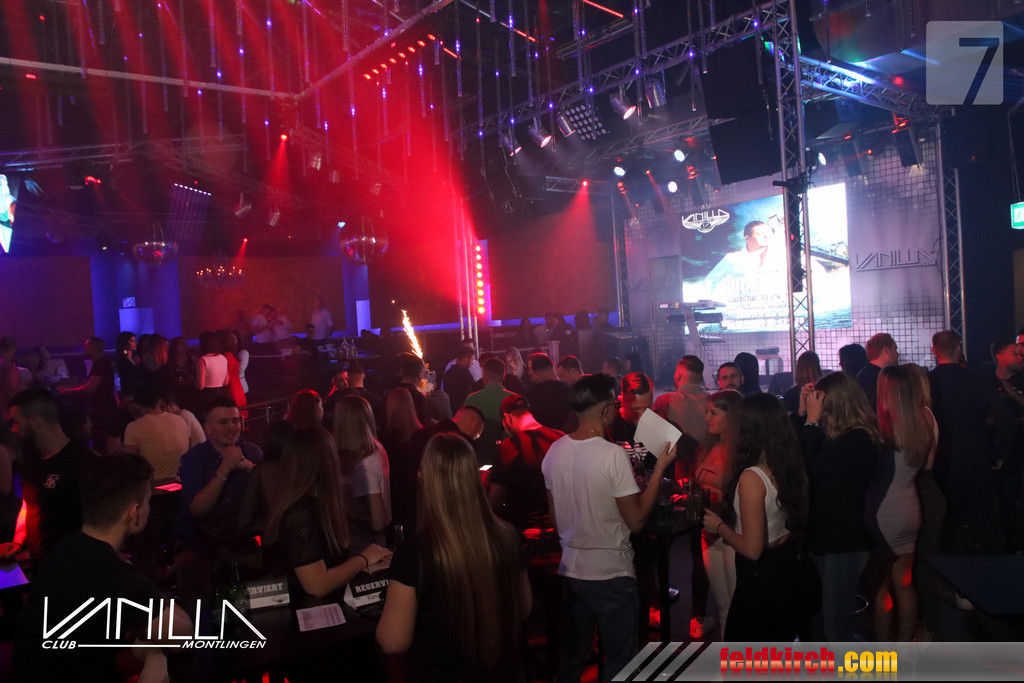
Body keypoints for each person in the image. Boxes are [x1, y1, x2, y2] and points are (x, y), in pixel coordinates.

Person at [542, 373, 676, 683]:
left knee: (571, 658)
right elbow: (636, 520)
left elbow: (554, 517)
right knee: (619, 663)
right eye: (615, 404)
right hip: (611, 573)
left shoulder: (554, 451)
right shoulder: (612, 455)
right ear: (605, 411)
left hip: (571, 570)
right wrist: (660, 469)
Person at [14, 454, 192, 682]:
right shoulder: (114, 577)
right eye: (148, 501)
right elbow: (183, 635)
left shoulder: (67, 547)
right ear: (134, 513)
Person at [378, 433, 531, 681]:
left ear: (424, 478)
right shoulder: (508, 537)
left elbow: (392, 642)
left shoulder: (415, 554)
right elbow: (523, 608)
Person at [702, 393, 808, 641]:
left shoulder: (752, 477)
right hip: (787, 566)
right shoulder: (790, 464)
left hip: (760, 579)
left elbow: (752, 550)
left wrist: (719, 527)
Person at [802, 370, 882, 641]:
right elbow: (796, 457)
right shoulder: (834, 436)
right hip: (822, 537)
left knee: (836, 625)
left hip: (844, 541)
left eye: (821, 400)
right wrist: (802, 415)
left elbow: (809, 471)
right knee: (817, 618)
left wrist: (811, 423)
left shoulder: (858, 439)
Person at [264, 428, 391, 598]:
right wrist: (364, 558)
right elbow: (317, 585)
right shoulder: (299, 515)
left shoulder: (319, 505)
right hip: (305, 609)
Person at [867, 364, 937, 641]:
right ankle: (907, 646)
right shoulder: (925, 419)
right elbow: (928, 465)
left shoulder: (883, 425)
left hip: (883, 511)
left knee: (881, 588)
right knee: (905, 582)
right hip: (911, 506)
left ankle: (885, 652)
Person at [928, 329, 1010, 554]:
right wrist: (1000, 453)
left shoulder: (927, 381)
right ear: (958, 348)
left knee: (946, 519)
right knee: (986, 520)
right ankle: (996, 570)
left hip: (941, 461)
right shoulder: (980, 380)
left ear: (934, 351)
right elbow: (1004, 418)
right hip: (976, 459)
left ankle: (948, 570)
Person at [177, 397, 263, 600]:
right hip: (203, 542)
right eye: (223, 422)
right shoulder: (194, 458)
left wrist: (250, 468)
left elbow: (272, 494)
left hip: (244, 537)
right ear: (208, 428)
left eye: (235, 421)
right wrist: (225, 468)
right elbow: (198, 510)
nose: (231, 427)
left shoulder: (252, 452)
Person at [0, 389, 97, 565]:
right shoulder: (32, 461)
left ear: (35, 422)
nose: (13, 430)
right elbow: (28, 504)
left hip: (74, 566)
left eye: (16, 422)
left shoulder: (84, 461)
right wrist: (18, 540)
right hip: (42, 566)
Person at [693, 390, 742, 638]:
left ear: (732, 416)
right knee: (724, 608)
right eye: (707, 412)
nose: (707, 419)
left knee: (738, 608)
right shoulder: (710, 445)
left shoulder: (743, 451)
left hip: (733, 536)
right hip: (708, 535)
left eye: (713, 413)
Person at [488, 394, 564, 531]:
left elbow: (495, 501)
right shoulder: (560, 437)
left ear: (507, 418)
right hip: (561, 527)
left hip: (523, 529)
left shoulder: (508, 447)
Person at [334, 394, 392, 548]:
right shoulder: (376, 448)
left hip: (363, 546)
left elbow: (378, 521)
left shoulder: (363, 465)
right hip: (367, 544)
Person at [59, 337, 117, 454]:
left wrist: (69, 390)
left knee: (99, 441)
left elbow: (91, 388)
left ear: (93, 348)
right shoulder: (102, 363)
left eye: (86, 346)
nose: (84, 349)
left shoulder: (100, 364)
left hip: (103, 409)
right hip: (105, 407)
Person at [122, 382, 190, 481]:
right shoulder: (180, 420)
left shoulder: (134, 427)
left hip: (153, 485)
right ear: (159, 401)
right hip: (181, 481)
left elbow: (129, 463)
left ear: (137, 405)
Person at [525, 353, 573, 431]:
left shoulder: (531, 394)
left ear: (536, 370)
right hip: (564, 436)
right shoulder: (568, 390)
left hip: (541, 436)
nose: (529, 372)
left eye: (531, 369)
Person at [856, 333, 899, 410]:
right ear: (886, 350)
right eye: (895, 349)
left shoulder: (862, 376)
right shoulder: (883, 379)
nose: (898, 354)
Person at [194, 331, 229, 415]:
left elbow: (200, 386)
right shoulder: (223, 358)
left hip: (207, 396)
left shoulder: (202, 360)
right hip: (221, 394)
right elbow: (226, 382)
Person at [442, 346, 476, 412]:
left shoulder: (448, 372)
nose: (472, 363)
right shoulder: (465, 372)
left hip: (451, 409)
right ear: (466, 358)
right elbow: (474, 389)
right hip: (464, 409)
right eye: (472, 359)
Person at [115, 331, 140, 400]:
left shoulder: (132, 359)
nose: (136, 343)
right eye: (132, 341)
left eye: (135, 341)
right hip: (129, 394)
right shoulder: (123, 361)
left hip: (134, 393)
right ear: (124, 343)